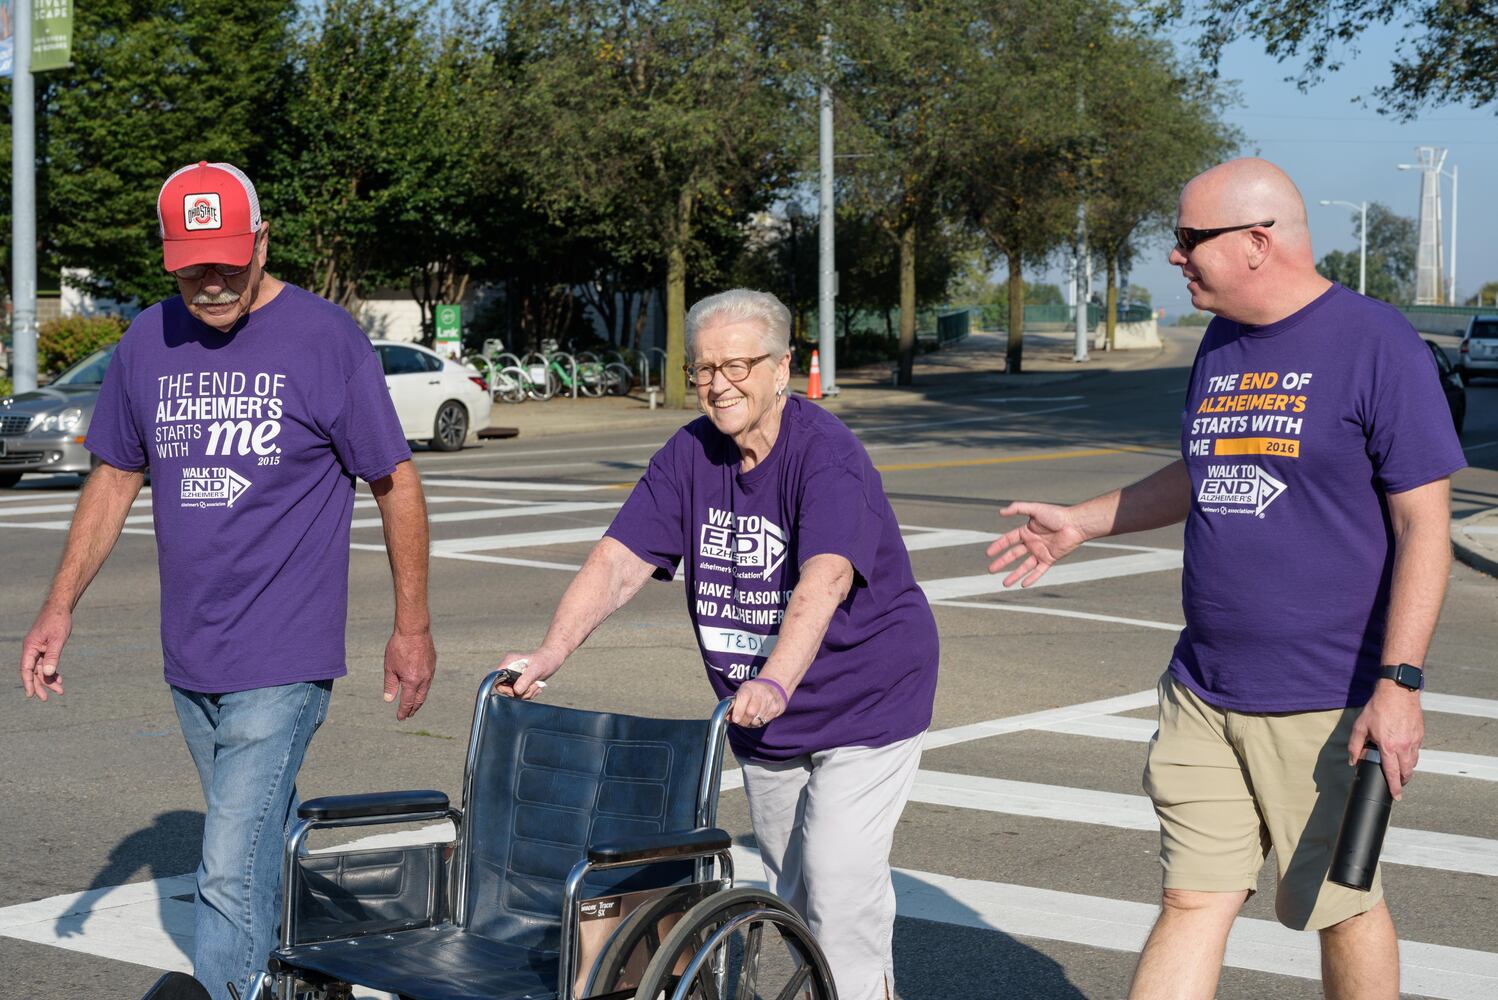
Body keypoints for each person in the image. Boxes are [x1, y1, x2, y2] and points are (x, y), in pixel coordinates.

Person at [987, 158, 1464, 1000]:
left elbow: (1424, 523)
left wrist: (1400, 683)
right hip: (1205, 688)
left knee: (1341, 906)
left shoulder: (1375, 341)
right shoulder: (1222, 342)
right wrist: (1085, 521)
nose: (1175, 256)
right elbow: (1205, 468)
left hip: (1328, 698)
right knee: (1191, 898)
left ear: (1255, 241)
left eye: (1187, 238)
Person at [18, 161, 437, 1000]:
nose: (210, 284)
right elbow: (111, 480)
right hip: (192, 655)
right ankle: (322, 970)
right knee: (259, 848)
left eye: (226, 262)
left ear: (262, 243)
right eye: (191, 266)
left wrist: (412, 626)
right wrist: (56, 608)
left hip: (284, 654)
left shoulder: (325, 340)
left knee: (225, 870)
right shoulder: (147, 341)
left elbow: (395, 482)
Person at [499, 289, 939, 1000]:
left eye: (738, 364)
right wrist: (549, 653)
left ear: (781, 368)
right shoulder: (691, 455)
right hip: (761, 715)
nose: (720, 383)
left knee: (837, 880)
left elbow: (823, 579)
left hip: (867, 700)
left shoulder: (827, 456)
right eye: (705, 368)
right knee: (793, 892)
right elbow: (618, 561)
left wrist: (775, 681)